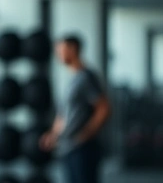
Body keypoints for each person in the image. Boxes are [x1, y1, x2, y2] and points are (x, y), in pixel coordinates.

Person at [40, 34, 111, 183]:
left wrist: (85, 134)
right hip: (67, 148)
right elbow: (64, 115)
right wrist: (53, 135)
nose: (58, 54)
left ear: (73, 49)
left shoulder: (86, 77)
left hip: (83, 150)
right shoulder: (72, 79)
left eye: (61, 50)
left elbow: (104, 109)